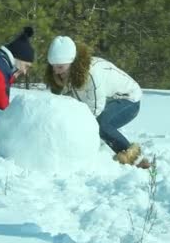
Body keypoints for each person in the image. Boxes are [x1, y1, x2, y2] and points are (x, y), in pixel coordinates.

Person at [44, 35, 150, 168]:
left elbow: (95, 108)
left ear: (72, 62)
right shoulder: (63, 74)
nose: (55, 71)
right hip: (107, 101)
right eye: (53, 66)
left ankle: (136, 160)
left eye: (59, 67)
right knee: (95, 124)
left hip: (128, 99)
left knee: (100, 124)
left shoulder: (91, 73)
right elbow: (68, 104)